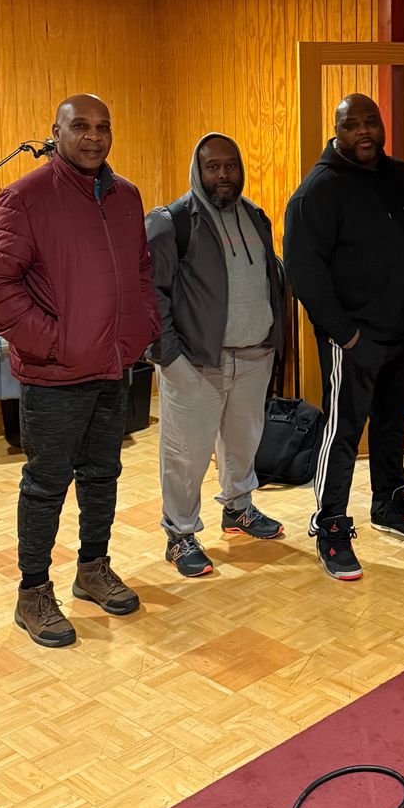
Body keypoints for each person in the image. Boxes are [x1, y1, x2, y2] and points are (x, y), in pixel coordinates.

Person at [0, 94, 159, 649]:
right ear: (56, 132)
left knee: (103, 474)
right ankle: (32, 593)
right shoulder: (25, 198)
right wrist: (54, 344)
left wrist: (141, 325)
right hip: (54, 375)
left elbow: (141, 269)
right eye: (80, 126)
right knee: (46, 485)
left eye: (103, 126)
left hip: (111, 366)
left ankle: (93, 569)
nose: (93, 136)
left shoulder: (126, 196)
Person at [284, 93, 404, 581]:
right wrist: (345, 334)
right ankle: (330, 524)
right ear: (338, 131)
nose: (365, 132)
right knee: (343, 432)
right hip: (351, 339)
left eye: (372, 122)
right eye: (353, 125)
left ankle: (389, 503)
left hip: (400, 331)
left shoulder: (402, 176)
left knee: (393, 422)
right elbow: (305, 273)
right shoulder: (317, 192)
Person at [146, 132, 285, 578]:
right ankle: (180, 534)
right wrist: (169, 357)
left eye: (231, 165)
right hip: (195, 362)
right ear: (198, 170)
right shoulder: (172, 222)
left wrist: (271, 340)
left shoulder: (255, 217)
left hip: (254, 355)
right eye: (213, 167)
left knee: (243, 443)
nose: (224, 174)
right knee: (185, 455)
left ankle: (238, 508)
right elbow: (151, 294)